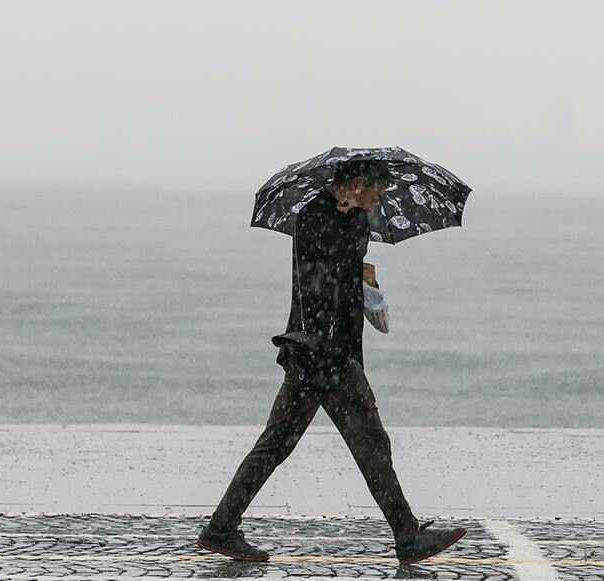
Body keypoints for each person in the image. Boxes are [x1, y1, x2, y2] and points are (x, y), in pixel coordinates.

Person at [196, 159, 466, 566]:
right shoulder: (313, 217)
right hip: (322, 355)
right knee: (369, 444)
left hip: (326, 354)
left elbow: (344, 282)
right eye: (374, 196)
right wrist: (356, 271)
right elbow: (319, 279)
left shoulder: (356, 223)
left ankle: (220, 527)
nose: (376, 205)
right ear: (356, 185)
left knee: (277, 445)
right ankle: (408, 537)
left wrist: (365, 279)